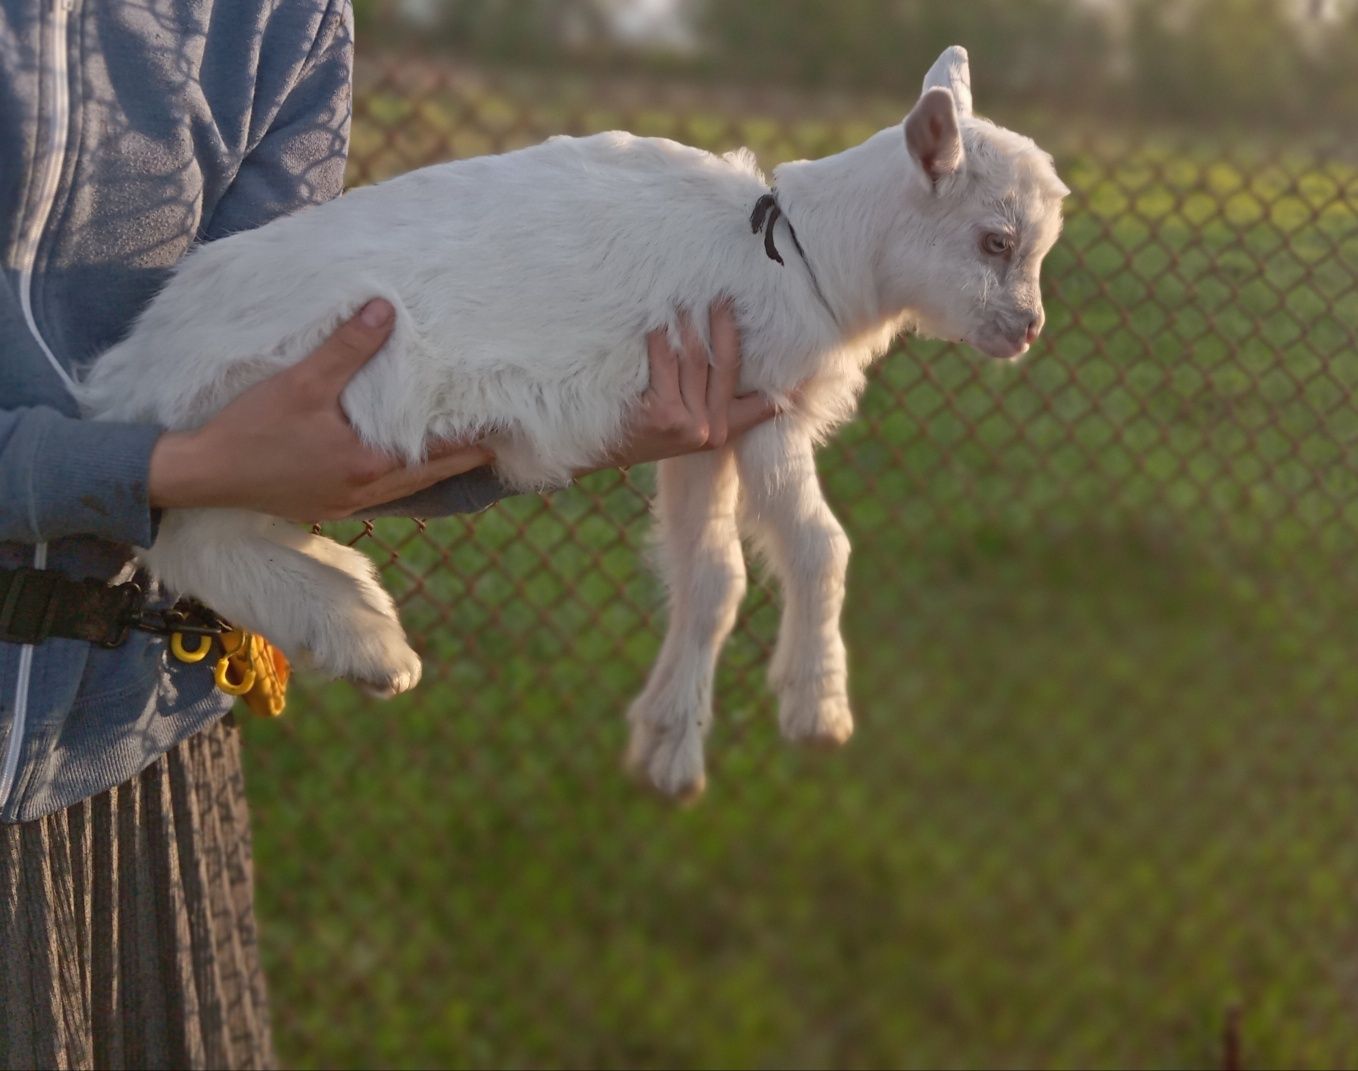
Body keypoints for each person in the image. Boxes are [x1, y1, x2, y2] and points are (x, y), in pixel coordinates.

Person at [0, 2, 774, 1066]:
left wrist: (568, 420)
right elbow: (215, 458)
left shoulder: (270, 18)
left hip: (134, 754)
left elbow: (308, 407)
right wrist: (162, 472)